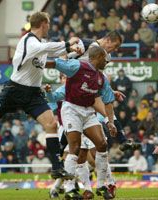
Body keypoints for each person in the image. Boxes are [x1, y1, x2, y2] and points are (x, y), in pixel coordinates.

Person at [0, 11, 81, 179]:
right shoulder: (28, 40)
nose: (49, 27)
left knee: (51, 124)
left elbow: (52, 52)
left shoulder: (42, 42)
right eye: (48, 24)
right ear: (43, 23)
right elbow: (45, 48)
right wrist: (67, 43)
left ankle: (56, 168)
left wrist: (71, 50)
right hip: (15, 90)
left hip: (34, 93)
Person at [46, 46, 117, 199]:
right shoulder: (78, 66)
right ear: (98, 56)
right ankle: (70, 188)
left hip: (88, 111)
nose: (107, 61)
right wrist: (35, 63)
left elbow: (109, 102)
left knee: (102, 144)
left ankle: (101, 186)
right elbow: (56, 63)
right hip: (71, 109)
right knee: (75, 148)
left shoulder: (101, 78)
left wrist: (110, 122)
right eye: (105, 58)